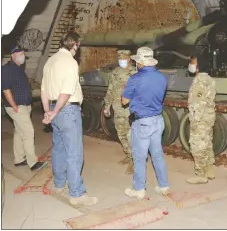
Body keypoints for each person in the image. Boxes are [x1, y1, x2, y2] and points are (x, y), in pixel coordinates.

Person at [41, 31, 98, 206]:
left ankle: (59, 184)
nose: (77, 49)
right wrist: (57, 111)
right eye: (77, 46)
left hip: (52, 108)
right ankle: (77, 193)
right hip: (66, 111)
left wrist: (48, 112)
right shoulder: (70, 62)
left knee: (58, 149)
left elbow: (43, 90)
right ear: (75, 45)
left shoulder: (50, 61)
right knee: (74, 153)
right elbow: (66, 91)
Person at [121, 46, 170, 199]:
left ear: (141, 62)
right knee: (157, 154)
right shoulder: (162, 77)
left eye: (137, 61)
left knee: (139, 156)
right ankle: (163, 186)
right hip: (158, 121)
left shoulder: (136, 78)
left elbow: (124, 101)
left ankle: (139, 189)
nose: (137, 64)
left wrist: (128, 90)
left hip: (142, 123)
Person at [1, 45, 47, 171]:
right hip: (17, 107)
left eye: (23, 55)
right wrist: (15, 106)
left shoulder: (19, 68)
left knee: (19, 132)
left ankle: (19, 159)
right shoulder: (6, 69)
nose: (23, 57)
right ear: (13, 55)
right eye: (20, 54)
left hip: (25, 106)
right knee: (28, 132)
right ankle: (33, 163)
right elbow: (5, 89)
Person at [103, 50, 136, 174]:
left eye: (124, 58)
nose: (122, 61)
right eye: (119, 59)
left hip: (130, 109)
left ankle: (134, 161)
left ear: (129, 59)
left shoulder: (135, 72)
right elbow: (110, 90)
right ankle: (128, 154)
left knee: (130, 135)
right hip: (117, 108)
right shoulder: (114, 73)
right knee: (120, 133)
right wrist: (107, 105)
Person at [186, 56, 217, 184]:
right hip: (209, 117)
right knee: (208, 143)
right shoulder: (210, 79)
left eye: (192, 63)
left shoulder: (199, 81)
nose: (191, 65)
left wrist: (194, 121)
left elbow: (196, 104)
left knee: (197, 145)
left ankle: (200, 175)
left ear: (198, 65)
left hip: (200, 118)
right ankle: (210, 170)